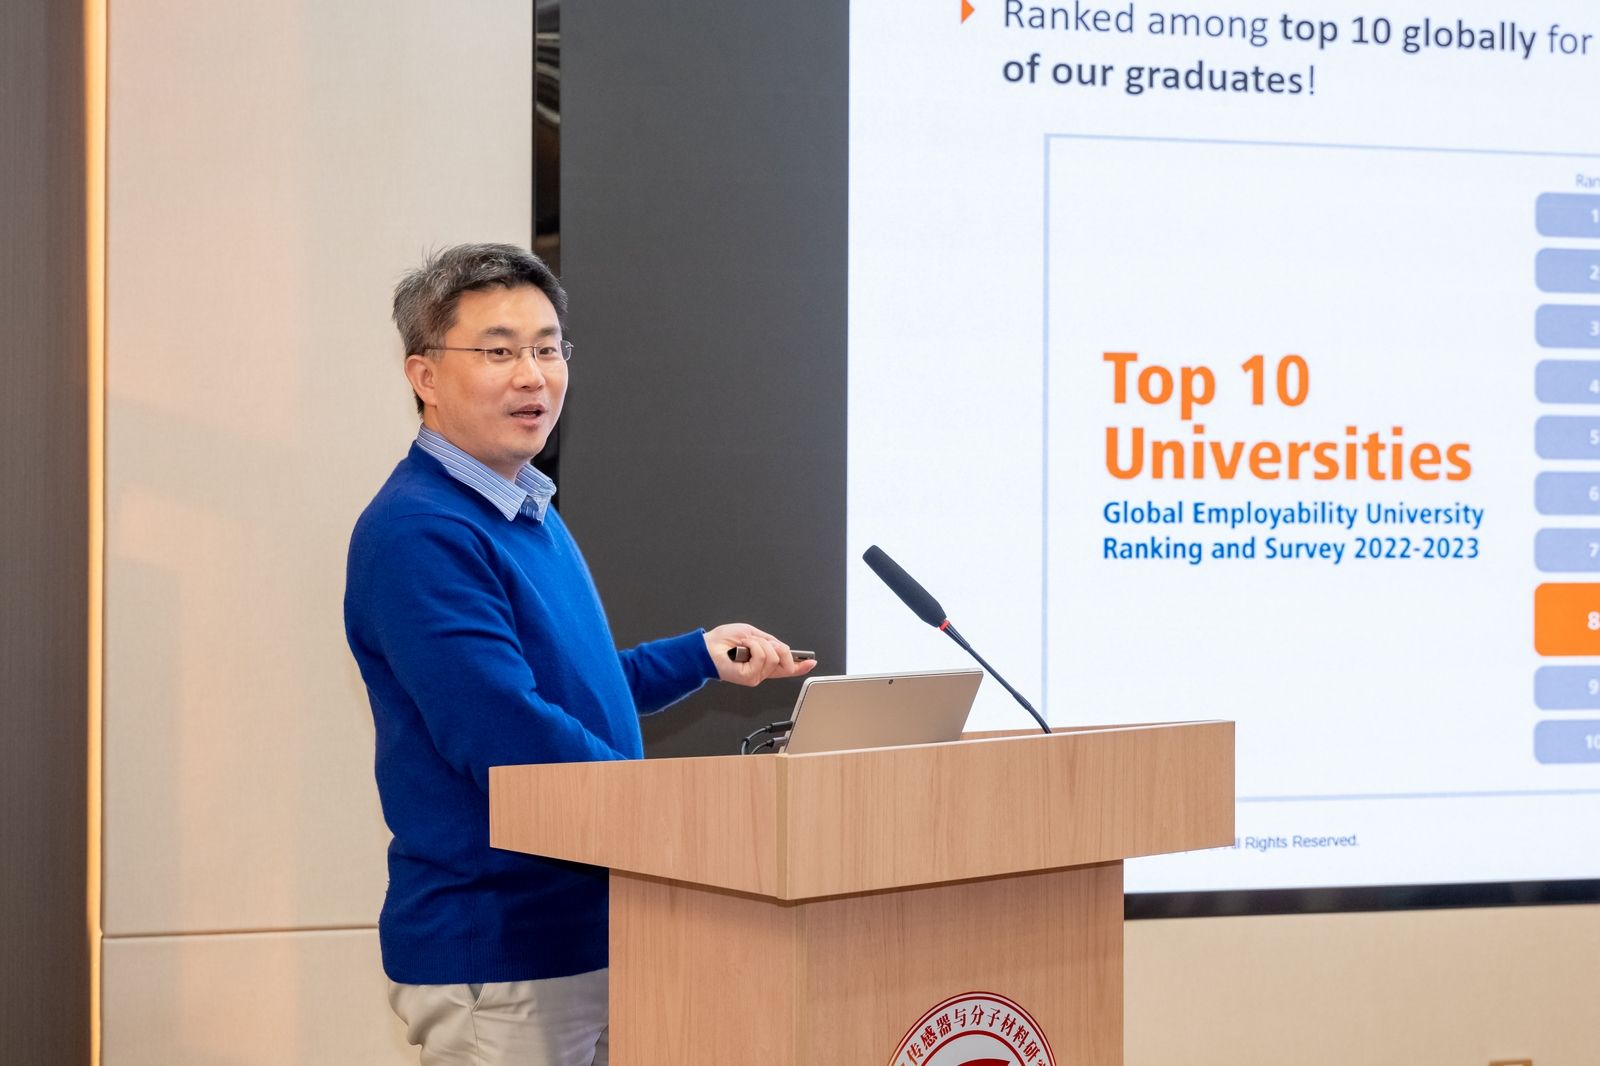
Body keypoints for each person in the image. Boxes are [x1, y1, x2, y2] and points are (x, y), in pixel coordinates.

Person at [344, 243, 813, 1066]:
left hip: (586, 935)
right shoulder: (421, 531)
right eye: (499, 352)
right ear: (424, 375)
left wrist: (699, 656)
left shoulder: (523, 508)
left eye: (548, 348)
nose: (534, 376)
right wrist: (679, 817)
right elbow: (508, 734)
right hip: (502, 950)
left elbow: (573, 690)